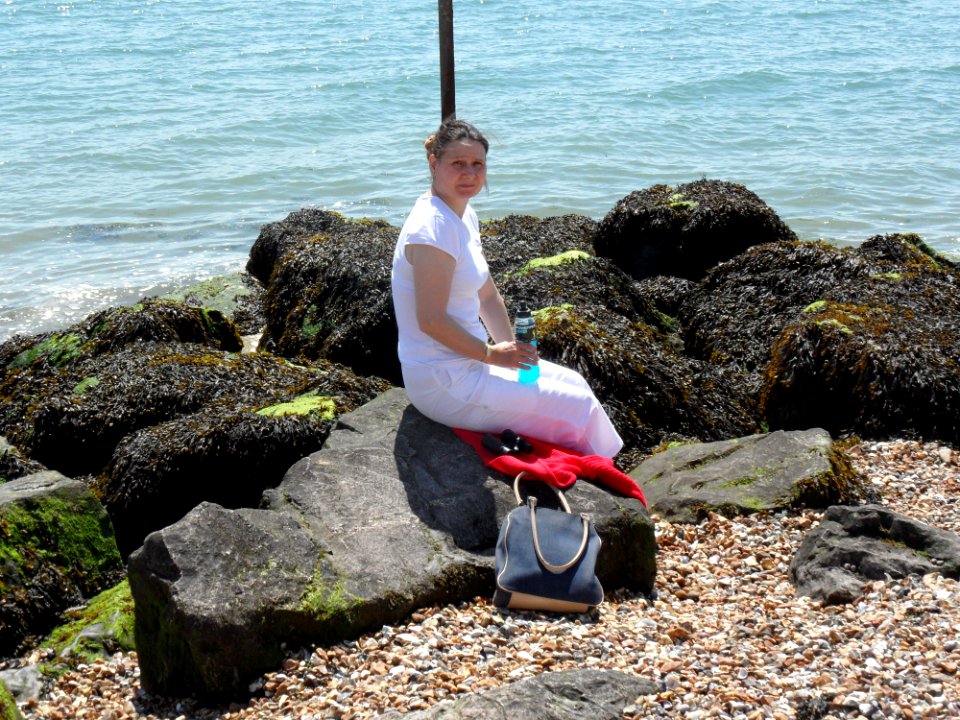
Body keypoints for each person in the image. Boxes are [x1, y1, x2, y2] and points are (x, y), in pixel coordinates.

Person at [390, 118, 623, 457]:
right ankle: (609, 484)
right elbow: (431, 320)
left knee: (577, 385)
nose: (469, 173)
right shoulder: (432, 228)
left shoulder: (462, 215)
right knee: (577, 409)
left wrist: (510, 350)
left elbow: (486, 294)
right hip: (443, 381)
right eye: (458, 164)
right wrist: (490, 354)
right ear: (433, 163)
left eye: (477, 164)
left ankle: (606, 473)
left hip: (470, 362)